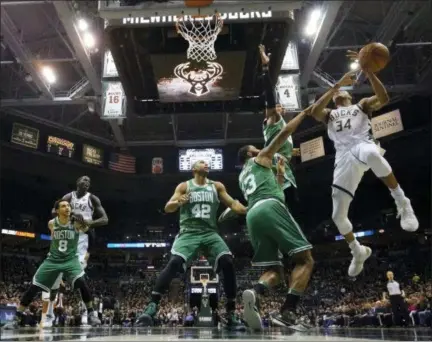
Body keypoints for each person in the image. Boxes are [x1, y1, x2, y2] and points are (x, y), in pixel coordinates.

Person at [309, 50, 418, 277]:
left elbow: (384, 98)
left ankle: (402, 201)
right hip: (343, 157)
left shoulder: (361, 105)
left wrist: (368, 72)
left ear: (349, 96)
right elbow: (313, 111)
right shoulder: (329, 114)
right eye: (336, 92)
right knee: (338, 216)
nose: (339, 93)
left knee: (372, 155)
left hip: (362, 144)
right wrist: (334, 86)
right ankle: (357, 251)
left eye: (341, 92)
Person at [135, 161, 247, 329]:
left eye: (207, 163)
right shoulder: (184, 186)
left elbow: (232, 204)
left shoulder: (217, 186)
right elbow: (168, 207)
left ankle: (231, 314)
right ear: (194, 169)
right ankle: (151, 307)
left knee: (227, 262)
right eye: (202, 163)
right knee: (174, 263)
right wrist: (179, 201)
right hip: (189, 232)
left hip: (210, 233)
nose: (206, 164)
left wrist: (245, 209)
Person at [237, 105, 314, 331]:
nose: (260, 148)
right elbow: (283, 134)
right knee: (305, 259)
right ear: (251, 153)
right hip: (270, 207)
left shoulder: (243, 176)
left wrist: (279, 173)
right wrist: (303, 114)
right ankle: (288, 311)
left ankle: (256, 291)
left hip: (253, 216)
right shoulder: (260, 158)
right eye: (256, 148)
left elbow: (278, 190)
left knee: (276, 272)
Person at [3, 200, 101, 329]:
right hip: (53, 260)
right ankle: (17, 318)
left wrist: (84, 226)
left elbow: (90, 232)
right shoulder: (51, 223)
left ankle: (91, 314)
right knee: (34, 286)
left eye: (68, 206)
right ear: (57, 211)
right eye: (63, 206)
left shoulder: (76, 223)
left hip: (70, 260)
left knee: (82, 282)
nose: (67, 207)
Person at [41, 176, 108, 327]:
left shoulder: (93, 199)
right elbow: (53, 211)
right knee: (55, 279)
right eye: (84, 180)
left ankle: (89, 312)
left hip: (82, 240)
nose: (87, 182)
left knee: (79, 278)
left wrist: (87, 222)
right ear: (77, 182)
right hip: (66, 237)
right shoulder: (68, 197)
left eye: (89, 182)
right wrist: (71, 216)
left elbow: (104, 219)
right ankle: (50, 312)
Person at [258, 44, 302, 216]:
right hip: (277, 167)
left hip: (283, 165)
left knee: (291, 208)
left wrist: (292, 151)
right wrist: (265, 68)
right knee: (286, 207)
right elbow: (270, 96)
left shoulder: (280, 123)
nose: (278, 106)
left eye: (279, 105)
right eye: (275, 106)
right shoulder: (272, 119)